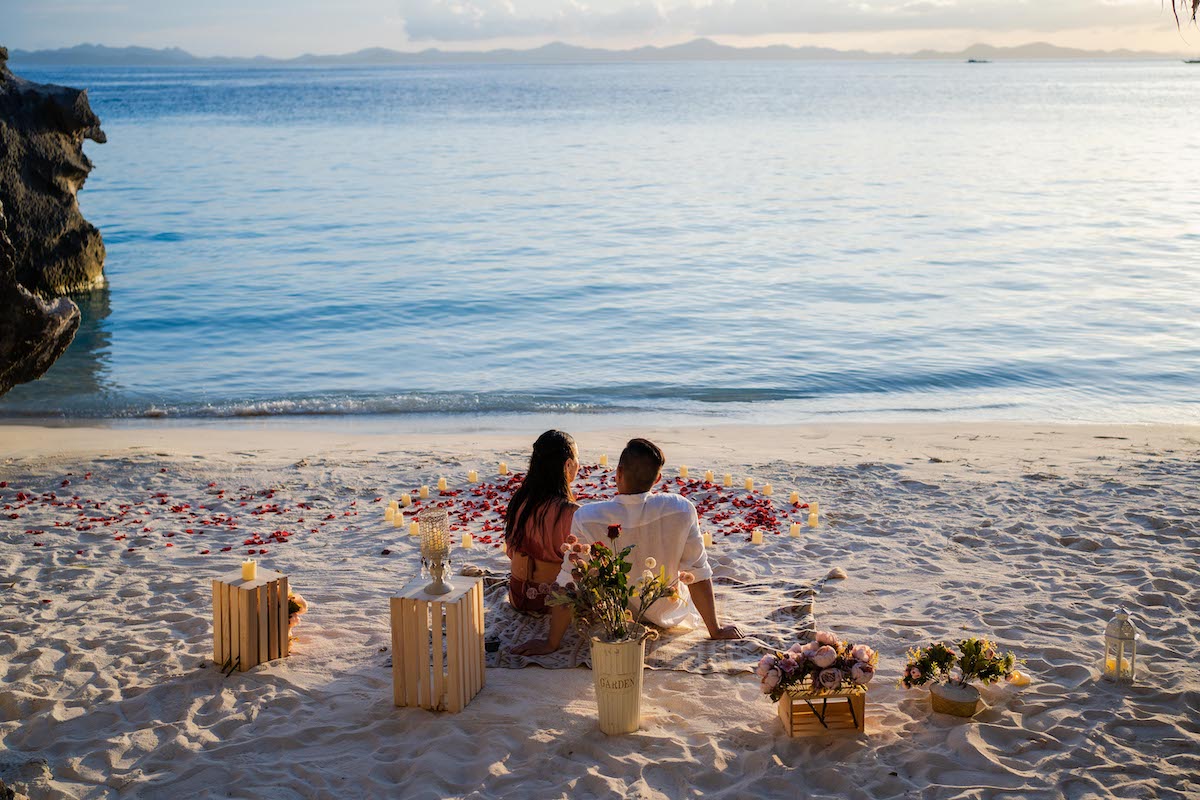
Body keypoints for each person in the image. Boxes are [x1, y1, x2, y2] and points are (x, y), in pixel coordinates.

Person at [514, 437, 743, 654]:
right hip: (668, 611)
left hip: (612, 615)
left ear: (618, 473)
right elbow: (698, 572)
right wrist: (716, 630)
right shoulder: (681, 509)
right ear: (657, 480)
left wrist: (551, 643)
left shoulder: (588, 516)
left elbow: (569, 578)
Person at [504, 430, 580, 615]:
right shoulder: (570, 512)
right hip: (552, 603)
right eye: (577, 457)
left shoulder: (520, 500)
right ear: (568, 464)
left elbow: (509, 551)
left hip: (518, 596)